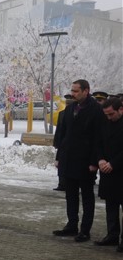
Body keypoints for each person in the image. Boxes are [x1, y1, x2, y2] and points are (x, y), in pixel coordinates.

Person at [52, 79, 104, 242]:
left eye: (76, 91)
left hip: (85, 162)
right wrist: (59, 157)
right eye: (72, 90)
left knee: (87, 196)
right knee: (71, 195)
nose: (73, 94)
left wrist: (94, 162)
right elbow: (64, 136)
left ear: (86, 91)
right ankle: (71, 225)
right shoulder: (70, 109)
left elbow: (98, 138)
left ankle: (85, 230)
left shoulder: (96, 110)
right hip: (69, 159)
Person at [94, 97, 123, 251]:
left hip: (119, 170)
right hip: (106, 171)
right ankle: (112, 235)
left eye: (111, 114)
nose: (109, 117)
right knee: (110, 206)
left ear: (120, 110)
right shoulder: (104, 123)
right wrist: (100, 160)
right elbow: (98, 143)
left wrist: (113, 163)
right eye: (106, 114)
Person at [52, 95, 72, 192]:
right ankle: (62, 183)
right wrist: (57, 142)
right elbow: (59, 129)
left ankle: (65, 184)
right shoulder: (62, 114)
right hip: (62, 144)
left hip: (69, 144)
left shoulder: (76, 114)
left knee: (65, 164)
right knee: (60, 164)